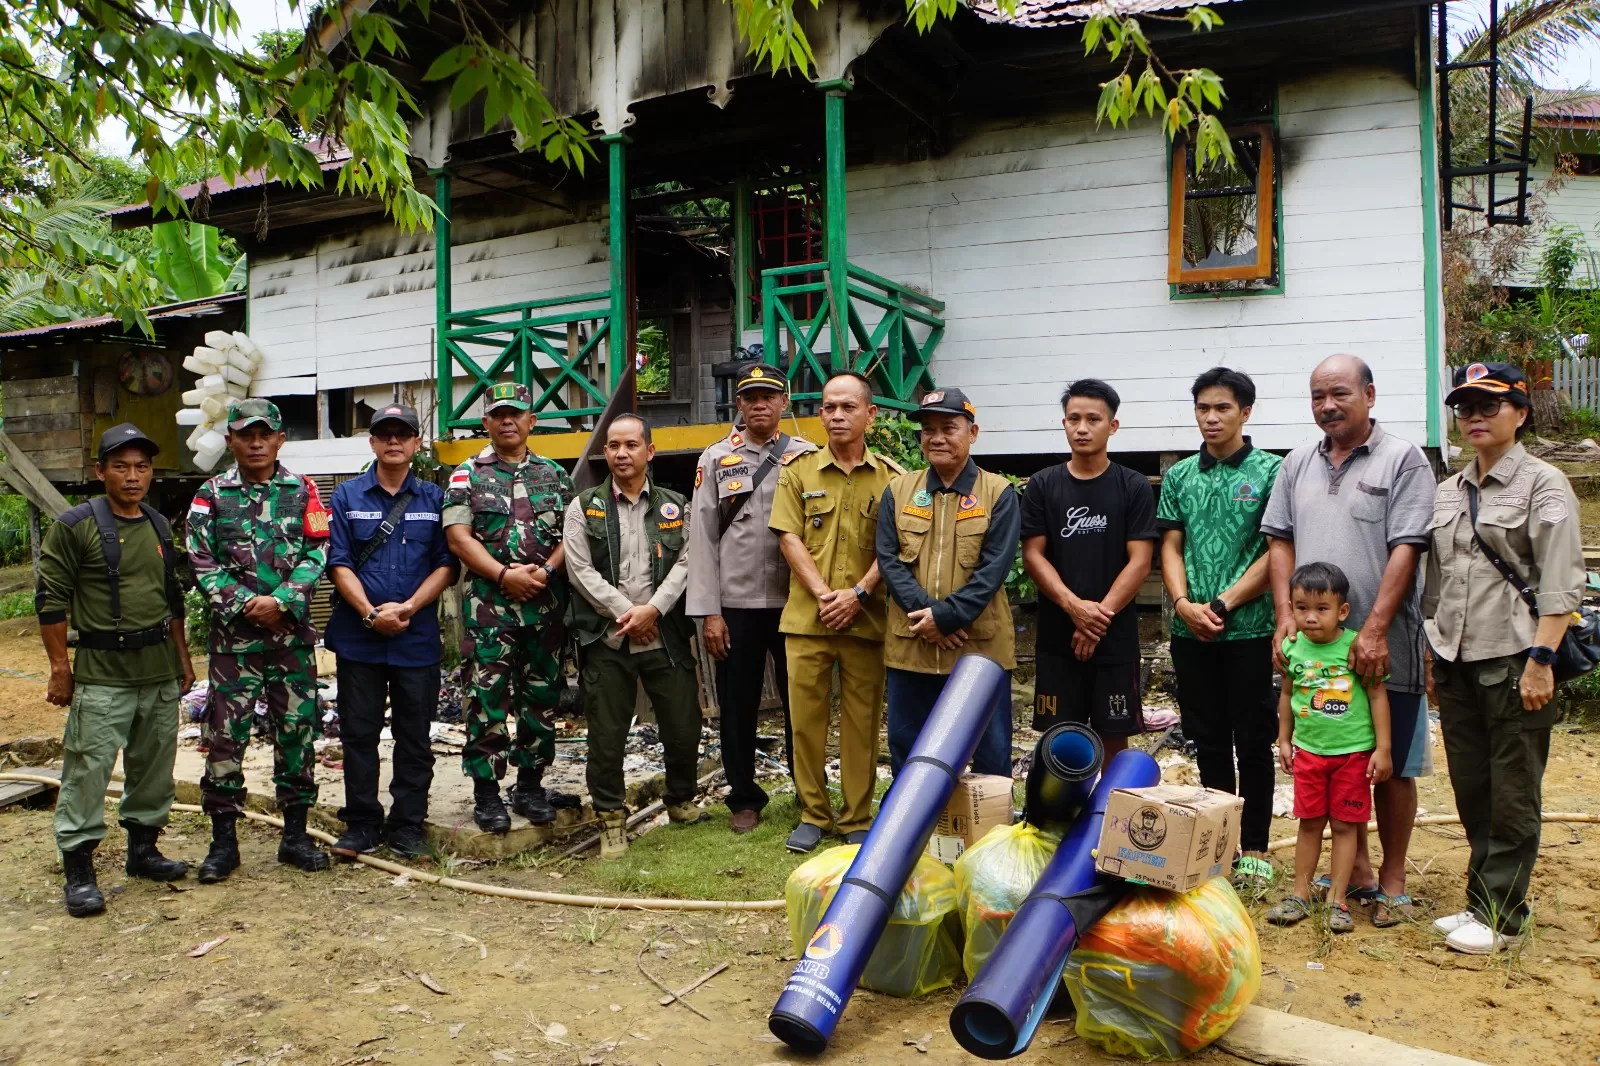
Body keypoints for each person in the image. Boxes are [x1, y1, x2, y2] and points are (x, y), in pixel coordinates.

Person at [1262, 354, 1434, 925]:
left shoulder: (1402, 460)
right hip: (1314, 647)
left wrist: (1377, 628)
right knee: (1334, 751)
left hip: (1387, 645)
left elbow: (1408, 546)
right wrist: (1286, 612)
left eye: (1339, 393)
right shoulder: (1295, 464)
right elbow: (1279, 542)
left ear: (1370, 394)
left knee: (1390, 763)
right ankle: (1354, 871)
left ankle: (1393, 880)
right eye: (1317, 396)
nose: (1327, 406)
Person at [1423, 362, 1583, 954]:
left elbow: (1563, 582)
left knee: (1514, 791)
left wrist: (1543, 659)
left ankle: (1504, 918)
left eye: (1489, 406)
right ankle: (1479, 901)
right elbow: (1435, 583)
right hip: (1458, 660)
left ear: (1520, 412)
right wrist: (1432, 651)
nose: (1474, 418)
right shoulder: (1448, 489)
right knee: (1472, 786)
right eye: (1465, 408)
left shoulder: (1543, 484)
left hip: (1517, 659)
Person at [39, 424, 196, 916]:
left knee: (154, 769)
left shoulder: (157, 524)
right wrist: (60, 668)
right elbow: (50, 602)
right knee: (88, 769)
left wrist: (184, 659)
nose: (133, 476)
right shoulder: (74, 525)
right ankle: (80, 869)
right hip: (103, 674)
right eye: (122, 466)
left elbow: (171, 599)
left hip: (157, 669)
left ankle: (143, 850)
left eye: (142, 467)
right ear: (100, 470)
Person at [188, 398, 333, 882]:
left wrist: (285, 599)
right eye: (245, 434)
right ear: (229, 439)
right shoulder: (210, 495)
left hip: (290, 641)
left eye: (264, 433)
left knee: (298, 735)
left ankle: (294, 837)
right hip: (234, 646)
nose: (255, 442)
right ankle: (223, 844)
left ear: (278, 439)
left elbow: (320, 549)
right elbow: (200, 560)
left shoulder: (304, 489)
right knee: (226, 741)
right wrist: (244, 605)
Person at [1156, 367, 1282, 892]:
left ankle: (1253, 846)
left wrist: (1224, 603)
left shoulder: (1273, 473)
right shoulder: (1181, 475)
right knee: (1206, 739)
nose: (1211, 418)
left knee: (1253, 741)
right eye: (1203, 408)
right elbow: (1170, 546)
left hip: (1249, 630)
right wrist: (1183, 603)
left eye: (1222, 408)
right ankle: (1217, 842)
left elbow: (1277, 549)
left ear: (1245, 412)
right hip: (1192, 635)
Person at [565, 414, 706, 860]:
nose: (621, 453)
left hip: (664, 636)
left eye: (630, 445)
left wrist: (654, 609)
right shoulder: (584, 506)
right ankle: (611, 820)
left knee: (684, 727)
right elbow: (579, 569)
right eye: (612, 446)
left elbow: (688, 560)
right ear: (604, 453)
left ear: (650, 451)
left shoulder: (674, 504)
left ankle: (681, 801)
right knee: (606, 737)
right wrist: (629, 612)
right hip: (607, 639)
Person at [686, 364, 816, 833]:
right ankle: (744, 797)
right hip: (735, 606)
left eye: (769, 395)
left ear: (784, 403)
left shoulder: (805, 457)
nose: (759, 403)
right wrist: (709, 613)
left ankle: (810, 793)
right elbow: (700, 538)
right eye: (750, 397)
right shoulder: (716, 458)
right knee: (737, 705)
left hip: (793, 603)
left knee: (801, 702)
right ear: (738, 405)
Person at [325, 403, 458, 859]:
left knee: (415, 736)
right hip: (359, 637)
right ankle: (361, 822)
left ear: (417, 443)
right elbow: (338, 563)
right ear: (374, 443)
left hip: (415, 637)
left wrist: (408, 608)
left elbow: (446, 564)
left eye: (404, 434)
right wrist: (369, 614)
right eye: (386, 435)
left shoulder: (436, 499)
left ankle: (407, 825)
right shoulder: (347, 497)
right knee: (358, 734)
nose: (395, 442)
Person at [442, 382, 576, 834]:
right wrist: (504, 575)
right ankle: (486, 794)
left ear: (531, 421)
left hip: (545, 605)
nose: (507, 421)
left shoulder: (556, 475)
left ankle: (531, 786)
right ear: (486, 423)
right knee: (487, 699)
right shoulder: (466, 475)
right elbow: (458, 538)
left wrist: (546, 574)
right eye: (498, 414)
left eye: (516, 413)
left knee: (541, 696)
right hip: (490, 609)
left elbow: (569, 538)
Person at [770, 371, 893, 853]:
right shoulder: (797, 472)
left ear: (870, 414)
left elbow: (897, 545)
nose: (836, 416)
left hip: (866, 620)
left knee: (862, 723)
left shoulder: (893, 479)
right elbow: (788, 537)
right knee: (805, 721)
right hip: (807, 620)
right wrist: (825, 594)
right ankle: (813, 814)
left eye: (846, 407)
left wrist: (859, 593)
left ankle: (857, 815)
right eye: (827, 407)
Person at [877, 387, 1020, 779]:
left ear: (972, 434)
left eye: (948, 428)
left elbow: (994, 569)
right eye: (928, 430)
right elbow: (888, 560)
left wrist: (948, 616)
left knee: (990, 754)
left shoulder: (998, 493)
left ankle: (990, 834)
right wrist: (930, 619)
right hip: (912, 647)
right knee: (910, 752)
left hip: (979, 648)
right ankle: (916, 834)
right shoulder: (898, 490)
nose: (937, 437)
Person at [1022, 379, 1156, 758]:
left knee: (1115, 737)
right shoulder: (1043, 486)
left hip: (1115, 640)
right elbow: (1033, 555)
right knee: (1061, 739)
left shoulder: (1132, 486)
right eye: (1073, 418)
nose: (1082, 428)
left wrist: (1098, 619)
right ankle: (1062, 816)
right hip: (1057, 637)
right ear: (1063, 423)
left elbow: (1141, 560)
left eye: (1093, 419)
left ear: (1112, 426)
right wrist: (1074, 608)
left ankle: (1107, 816)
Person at [1268, 562, 1392, 934]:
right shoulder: (1291, 648)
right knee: (1309, 824)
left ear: (1342, 611)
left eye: (1321, 609)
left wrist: (1382, 748)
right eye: (1301, 607)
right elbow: (1287, 695)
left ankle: (1337, 900)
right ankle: (1299, 895)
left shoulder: (1356, 646)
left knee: (1344, 826)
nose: (1310, 618)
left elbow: (1376, 696)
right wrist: (1285, 740)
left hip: (1352, 756)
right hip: (1309, 753)